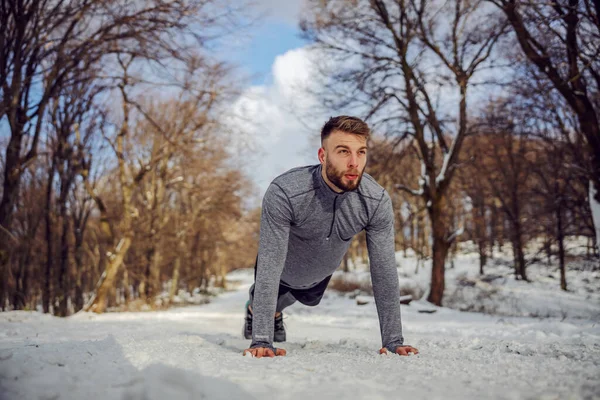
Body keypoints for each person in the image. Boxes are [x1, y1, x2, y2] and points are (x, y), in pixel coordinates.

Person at [242, 116, 419, 358]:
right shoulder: (286, 191)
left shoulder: (375, 201)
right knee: (273, 295)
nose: (354, 163)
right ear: (323, 156)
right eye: (344, 151)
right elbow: (270, 265)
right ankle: (256, 308)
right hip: (281, 270)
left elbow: (384, 270)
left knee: (300, 297)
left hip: (319, 276)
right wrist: (261, 340)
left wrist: (393, 340)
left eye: (361, 152)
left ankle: (274, 312)